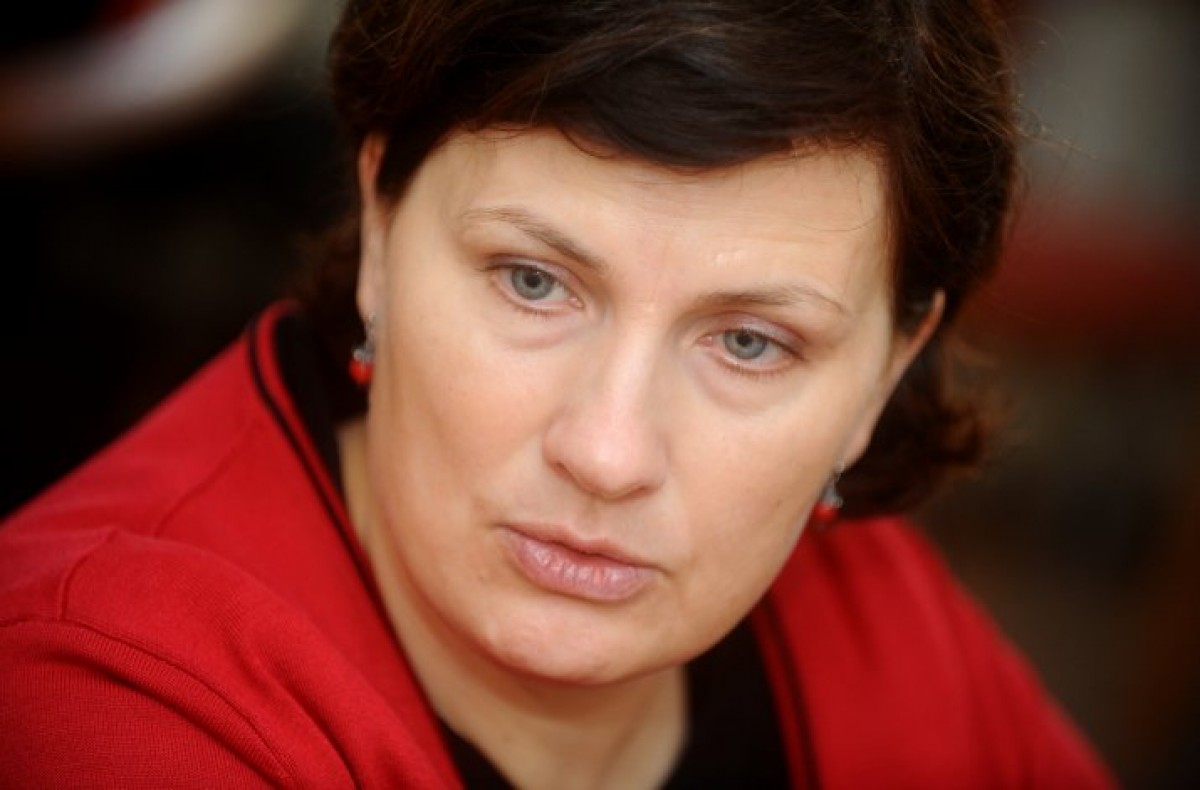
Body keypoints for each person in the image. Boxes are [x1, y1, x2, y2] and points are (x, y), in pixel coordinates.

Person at [0, 0, 1115, 787]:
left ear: (888, 368)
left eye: (751, 343)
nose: (607, 452)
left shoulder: (878, 619)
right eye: (533, 282)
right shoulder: (107, 700)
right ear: (381, 225)